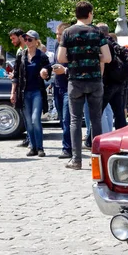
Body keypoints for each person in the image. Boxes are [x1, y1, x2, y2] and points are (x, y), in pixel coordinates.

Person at [57, 1, 111, 170]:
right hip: (94, 80)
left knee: (74, 120)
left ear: (76, 14)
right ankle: (97, 160)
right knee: (95, 120)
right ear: (89, 14)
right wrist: (94, 57)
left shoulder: (67, 32)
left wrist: (76, 58)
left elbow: (61, 58)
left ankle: (76, 159)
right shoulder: (97, 32)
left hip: (75, 81)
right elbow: (107, 58)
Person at [10, 30, 52, 157]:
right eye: (26, 39)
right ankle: (33, 147)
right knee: (28, 121)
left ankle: (40, 147)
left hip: (37, 92)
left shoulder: (42, 56)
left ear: (36, 41)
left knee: (35, 119)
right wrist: (13, 92)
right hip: (23, 92)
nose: (27, 42)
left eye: (30, 39)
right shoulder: (21, 55)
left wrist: (45, 73)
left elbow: (48, 73)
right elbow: (16, 75)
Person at [96, 23, 127, 130]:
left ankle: (90, 140)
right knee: (119, 113)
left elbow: (103, 63)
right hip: (119, 82)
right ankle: (121, 135)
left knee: (97, 112)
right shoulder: (114, 43)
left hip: (107, 82)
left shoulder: (104, 44)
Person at [53, 22, 72, 159]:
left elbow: (77, 68)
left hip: (69, 88)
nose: (57, 37)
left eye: (60, 34)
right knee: (61, 119)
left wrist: (65, 70)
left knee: (67, 119)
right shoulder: (57, 46)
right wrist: (47, 70)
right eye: (57, 34)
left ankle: (67, 148)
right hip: (57, 86)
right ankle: (67, 146)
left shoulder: (72, 48)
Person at [9, 28, 30, 148]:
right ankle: (29, 138)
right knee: (23, 113)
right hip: (20, 85)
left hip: (27, 86)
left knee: (29, 114)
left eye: (13, 38)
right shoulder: (19, 51)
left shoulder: (28, 49)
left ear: (21, 37)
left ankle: (31, 139)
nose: (12, 41)